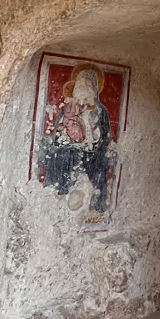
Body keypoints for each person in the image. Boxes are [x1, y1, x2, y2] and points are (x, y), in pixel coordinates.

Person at [42, 68, 113, 212]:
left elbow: (104, 136)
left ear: (94, 88)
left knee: (94, 161)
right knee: (59, 153)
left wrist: (91, 135)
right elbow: (60, 128)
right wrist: (65, 136)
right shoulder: (69, 107)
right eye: (80, 84)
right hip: (70, 144)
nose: (82, 88)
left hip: (93, 150)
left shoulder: (100, 110)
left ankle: (94, 206)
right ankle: (58, 195)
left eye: (87, 84)